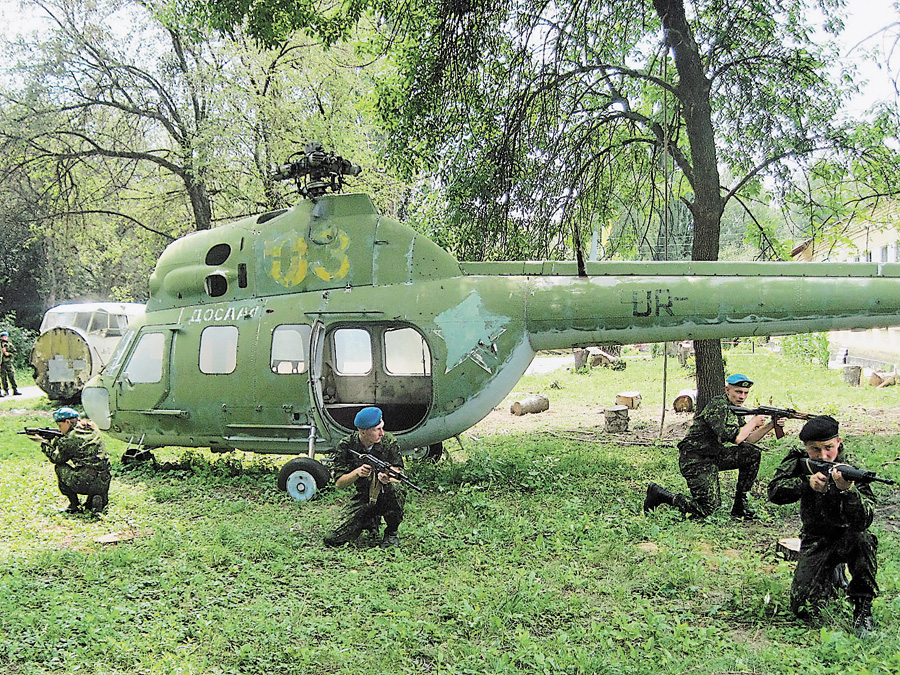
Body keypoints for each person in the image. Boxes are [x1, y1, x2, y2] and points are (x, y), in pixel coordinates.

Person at [767, 415, 877, 636]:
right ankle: (833, 575)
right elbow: (775, 492)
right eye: (814, 449)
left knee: (864, 538)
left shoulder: (852, 467)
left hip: (848, 535)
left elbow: (864, 519)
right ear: (805, 447)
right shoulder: (798, 460)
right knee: (802, 608)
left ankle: (862, 607)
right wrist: (806, 484)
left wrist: (848, 491)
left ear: (838, 441)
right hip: (815, 538)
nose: (823, 455)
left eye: (828, 447)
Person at [644, 373, 780, 519]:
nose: (742, 396)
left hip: (714, 455)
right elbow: (737, 438)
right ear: (727, 390)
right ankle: (660, 494)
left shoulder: (734, 408)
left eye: (745, 393)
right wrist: (753, 422)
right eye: (738, 392)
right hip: (695, 460)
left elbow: (748, 440)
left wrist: (771, 425)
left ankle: (741, 506)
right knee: (708, 510)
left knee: (751, 453)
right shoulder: (718, 406)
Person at [324, 406, 406, 548]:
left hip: (385, 494)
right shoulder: (346, 445)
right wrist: (357, 473)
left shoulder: (389, 442)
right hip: (364, 497)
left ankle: (392, 532)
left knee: (395, 488)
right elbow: (339, 483)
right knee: (332, 538)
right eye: (377, 430)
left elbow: (399, 475)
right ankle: (369, 519)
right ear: (363, 432)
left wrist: (387, 478)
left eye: (382, 427)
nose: (382, 433)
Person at [28, 407, 111, 514]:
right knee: (95, 478)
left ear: (67, 422)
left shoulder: (68, 440)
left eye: (60, 426)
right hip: (104, 479)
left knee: (60, 468)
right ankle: (97, 498)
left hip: (85, 481)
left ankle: (74, 505)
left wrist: (44, 443)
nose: (59, 428)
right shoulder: (93, 429)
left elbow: (56, 458)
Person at [0, 330, 21, 396]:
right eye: (3, 337)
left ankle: (15, 389)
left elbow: (15, 353)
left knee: (11, 376)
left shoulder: (9, 345)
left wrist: (8, 353)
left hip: (8, 363)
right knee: (3, 378)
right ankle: (6, 390)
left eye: (6, 337)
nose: (4, 338)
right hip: (1, 363)